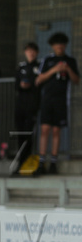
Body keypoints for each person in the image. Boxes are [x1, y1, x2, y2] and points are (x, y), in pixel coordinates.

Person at [35, 32, 79, 175]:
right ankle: (42, 160)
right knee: (45, 129)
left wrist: (67, 69)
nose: (59, 46)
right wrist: (54, 70)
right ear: (53, 46)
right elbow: (39, 79)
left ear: (65, 45)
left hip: (61, 100)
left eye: (62, 44)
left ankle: (53, 160)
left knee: (56, 130)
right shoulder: (47, 60)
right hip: (47, 99)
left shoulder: (70, 60)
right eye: (57, 44)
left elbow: (76, 80)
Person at [14, 42, 41, 169]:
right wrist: (22, 85)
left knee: (30, 134)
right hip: (21, 105)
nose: (31, 53)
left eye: (33, 51)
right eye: (28, 51)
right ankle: (21, 161)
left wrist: (31, 84)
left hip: (33, 105)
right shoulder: (21, 67)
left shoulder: (40, 66)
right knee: (20, 133)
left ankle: (29, 161)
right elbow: (16, 84)